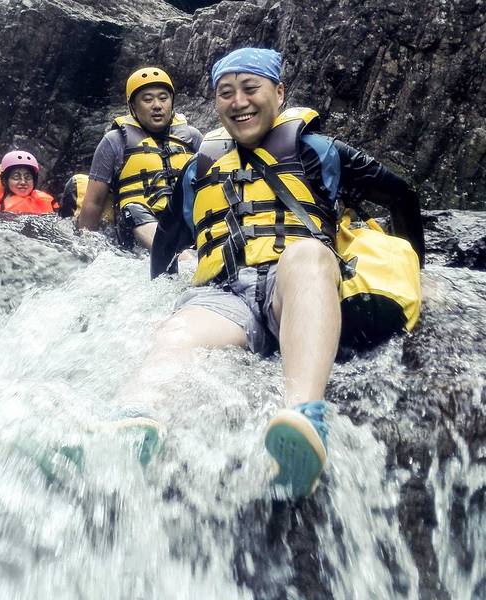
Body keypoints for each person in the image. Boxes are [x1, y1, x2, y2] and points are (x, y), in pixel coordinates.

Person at [134, 48, 426, 498]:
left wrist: (416, 270)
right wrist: (162, 292)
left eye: (250, 88)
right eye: (226, 93)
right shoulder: (200, 168)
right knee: (176, 333)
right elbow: (167, 242)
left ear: (279, 92)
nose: (239, 102)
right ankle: (135, 421)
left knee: (307, 255)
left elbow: (401, 195)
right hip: (225, 296)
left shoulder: (317, 150)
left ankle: (303, 418)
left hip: (295, 285)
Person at [77, 67, 203, 250]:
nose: (157, 105)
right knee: (132, 210)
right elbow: (94, 202)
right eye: (147, 99)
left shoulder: (193, 137)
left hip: (187, 223)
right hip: (137, 228)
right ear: (133, 106)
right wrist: (84, 248)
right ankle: (179, 258)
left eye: (163, 98)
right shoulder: (114, 141)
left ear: (172, 101)